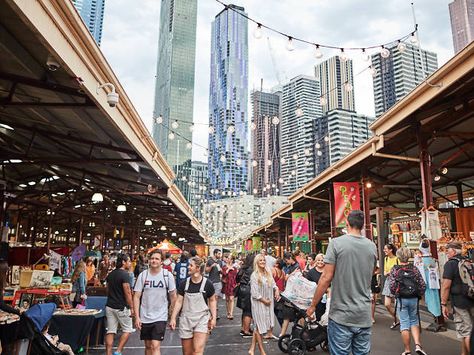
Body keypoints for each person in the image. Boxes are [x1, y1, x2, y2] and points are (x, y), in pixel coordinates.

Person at [307, 210, 377, 355]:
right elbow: (370, 274)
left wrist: (313, 305)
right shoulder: (372, 247)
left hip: (341, 315)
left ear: (347, 223)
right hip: (363, 314)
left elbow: (326, 278)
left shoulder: (336, 244)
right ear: (363, 226)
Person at [170, 256, 217, 355]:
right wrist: (173, 317)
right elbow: (179, 301)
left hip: (202, 319)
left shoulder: (208, 284)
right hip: (186, 319)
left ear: (198, 268)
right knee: (187, 352)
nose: (188, 267)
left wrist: (213, 317)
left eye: (191, 265)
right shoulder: (184, 284)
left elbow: (212, 300)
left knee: (197, 351)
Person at [134, 251, 177, 355]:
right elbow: (136, 296)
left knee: (155, 345)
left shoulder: (167, 276)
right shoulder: (143, 276)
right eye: (152, 258)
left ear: (161, 261)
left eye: (157, 259)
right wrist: (137, 317)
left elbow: (173, 297)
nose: (154, 261)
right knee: (148, 346)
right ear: (149, 260)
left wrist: (172, 316)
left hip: (160, 316)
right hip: (145, 315)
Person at [389, 247, 427, 355]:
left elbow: (392, 286)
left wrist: (395, 294)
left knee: (404, 323)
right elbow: (422, 285)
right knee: (414, 321)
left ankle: (407, 350)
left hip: (401, 299)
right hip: (414, 298)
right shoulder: (414, 269)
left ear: (398, 256)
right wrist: (418, 294)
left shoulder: (395, 269)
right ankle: (418, 345)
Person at [441, 241, 474, 355]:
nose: (446, 253)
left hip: (459, 302)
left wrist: (443, 304)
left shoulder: (450, 264)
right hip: (471, 298)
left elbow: (446, 286)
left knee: (466, 332)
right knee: (470, 329)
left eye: (448, 251)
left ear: (453, 251)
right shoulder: (467, 261)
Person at [249, 254, 280, 355]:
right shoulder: (254, 275)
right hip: (258, 304)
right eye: (260, 260)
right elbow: (254, 294)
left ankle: (252, 349)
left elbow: (274, 284)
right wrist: (264, 301)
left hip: (268, 302)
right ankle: (262, 351)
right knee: (259, 327)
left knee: (258, 327)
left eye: (263, 260)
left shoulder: (268, 273)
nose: (262, 262)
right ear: (256, 263)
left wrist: (277, 290)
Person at [105, 254, 134, 355]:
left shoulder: (111, 274)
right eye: (129, 261)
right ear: (123, 262)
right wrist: (132, 307)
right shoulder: (125, 275)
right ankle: (118, 351)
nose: (130, 263)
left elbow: (107, 290)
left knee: (110, 330)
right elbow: (128, 292)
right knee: (127, 329)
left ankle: (108, 352)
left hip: (110, 306)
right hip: (121, 307)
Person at [236, 254, 255, 338]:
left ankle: (244, 328)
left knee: (245, 310)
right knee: (248, 311)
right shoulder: (252, 269)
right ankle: (246, 331)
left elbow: (237, 278)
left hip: (242, 289)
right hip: (248, 290)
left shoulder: (243, 268)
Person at [382, 243, 400, 329]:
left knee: (398, 305)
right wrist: (390, 272)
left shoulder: (397, 259)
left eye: (385, 249)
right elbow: (385, 272)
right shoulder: (386, 259)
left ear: (391, 250)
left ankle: (402, 324)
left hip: (397, 282)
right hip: (389, 281)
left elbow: (400, 270)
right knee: (387, 304)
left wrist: (391, 272)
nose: (384, 250)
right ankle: (396, 319)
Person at [306, 253, 326, 320]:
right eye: (318, 260)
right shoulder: (311, 272)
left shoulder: (328, 272)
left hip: (327, 299)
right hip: (315, 299)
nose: (320, 262)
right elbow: (307, 286)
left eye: (322, 260)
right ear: (316, 261)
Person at [205, 249, 223, 319]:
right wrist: (211, 266)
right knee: (210, 298)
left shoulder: (220, 262)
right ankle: (210, 313)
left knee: (216, 298)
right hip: (211, 282)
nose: (219, 255)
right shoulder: (209, 261)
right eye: (218, 254)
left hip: (218, 281)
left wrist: (221, 271)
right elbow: (206, 271)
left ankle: (215, 314)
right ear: (215, 254)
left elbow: (221, 272)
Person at [222, 255, 238, 319]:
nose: (227, 259)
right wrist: (228, 269)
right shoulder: (224, 267)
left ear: (231, 260)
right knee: (227, 299)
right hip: (226, 284)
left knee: (231, 299)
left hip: (232, 285)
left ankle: (231, 313)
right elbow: (224, 274)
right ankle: (228, 312)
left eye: (229, 258)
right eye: (227, 258)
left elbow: (236, 276)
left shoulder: (235, 267)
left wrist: (237, 283)